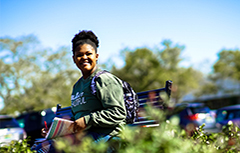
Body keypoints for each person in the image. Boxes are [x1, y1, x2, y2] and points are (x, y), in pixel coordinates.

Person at [32, 30, 126, 152]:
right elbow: (76, 118)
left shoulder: (104, 80)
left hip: (107, 136)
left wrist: (87, 120)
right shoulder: (77, 86)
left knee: (51, 149)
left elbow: (118, 112)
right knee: (40, 148)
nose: (84, 58)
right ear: (74, 59)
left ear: (96, 56)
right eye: (79, 55)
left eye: (88, 54)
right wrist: (54, 131)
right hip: (85, 135)